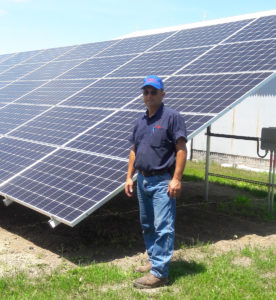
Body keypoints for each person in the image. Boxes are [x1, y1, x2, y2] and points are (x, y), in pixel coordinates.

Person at [125, 75, 187, 289]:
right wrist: (129, 176)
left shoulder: (172, 117)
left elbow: (181, 149)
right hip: (142, 180)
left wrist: (176, 179)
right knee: (148, 225)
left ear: (163, 94)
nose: (149, 96)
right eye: (145, 92)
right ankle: (154, 260)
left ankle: (160, 273)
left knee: (163, 227)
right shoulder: (140, 121)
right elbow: (134, 150)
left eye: (153, 92)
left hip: (163, 181)